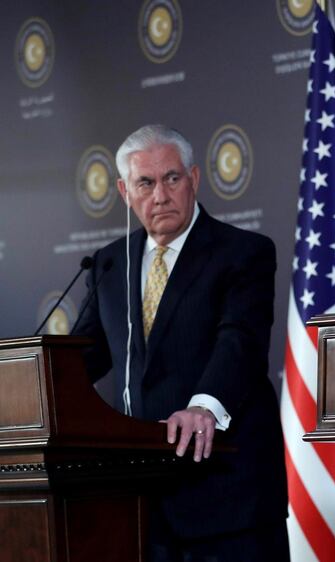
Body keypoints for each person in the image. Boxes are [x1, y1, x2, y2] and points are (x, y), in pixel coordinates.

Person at [73, 124, 288, 561]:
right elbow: (80, 359)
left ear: (194, 178)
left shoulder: (243, 252)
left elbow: (240, 342)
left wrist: (203, 406)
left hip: (229, 500)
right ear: (123, 191)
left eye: (172, 178)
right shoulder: (111, 264)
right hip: (141, 508)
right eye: (145, 183)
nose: (160, 195)